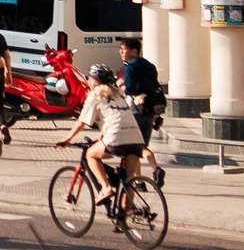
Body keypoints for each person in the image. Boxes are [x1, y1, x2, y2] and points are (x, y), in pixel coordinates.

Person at [59, 66, 147, 207]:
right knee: (129, 180)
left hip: (116, 137)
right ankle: (124, 218)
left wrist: (67, 139)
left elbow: (82, 122)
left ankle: (106, 188)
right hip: (136, 138)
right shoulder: (119, 96)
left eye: (88, 78)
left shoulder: (95, 96)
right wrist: (102, 136)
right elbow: (115, 118)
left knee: (90, 155)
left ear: (93, 81)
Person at [118, 36, 166, 176]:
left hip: (135, 111)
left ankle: (153, 170)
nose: (121, 52)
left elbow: (131, 90)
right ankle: (140, 179)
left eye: (124, 49)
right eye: (120, 49)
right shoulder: (149, 66)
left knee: (134, 148)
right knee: (140, 146)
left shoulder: (130, 68)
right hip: (150, 111)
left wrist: (121, 86)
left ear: (134, 51)